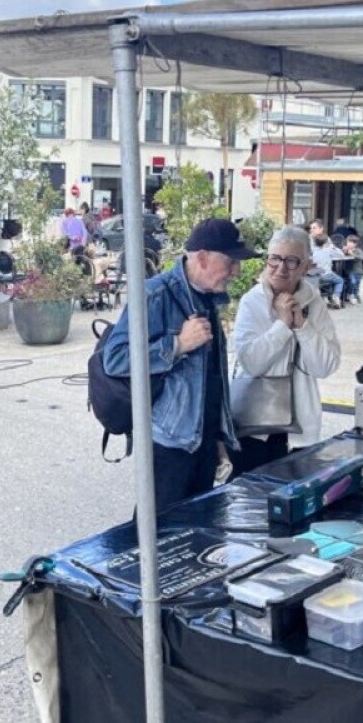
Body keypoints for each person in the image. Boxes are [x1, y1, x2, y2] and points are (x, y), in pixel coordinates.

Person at [102, 218, 258, 511]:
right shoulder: (154, 294)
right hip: (168, 442)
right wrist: (177, 345)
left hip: (202, 440)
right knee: (157, 533)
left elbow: (210, 377)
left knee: (195, 531)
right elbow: (116, 358)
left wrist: (219, 436)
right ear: (202, 257)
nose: (236, 271)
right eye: (231, 262)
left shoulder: (210, 298)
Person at [230, 226, 341, 474]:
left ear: (306, 266)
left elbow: (326, 366)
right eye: (275, 259)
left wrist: (301, 324)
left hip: (300, 429)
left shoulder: (314, 302)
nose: (281, 268)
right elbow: (252, 363)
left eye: (291, 261)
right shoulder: (253, 301)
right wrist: (282, 325)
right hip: (254, 427)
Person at [309, 232, 347, 309]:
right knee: (340, 281)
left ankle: (325, 298)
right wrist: (334, 247)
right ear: (326, 242)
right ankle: (336, 297)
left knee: (325, 283)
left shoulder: (312, 251)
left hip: (316, 277)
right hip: (327, 275)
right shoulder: (328, 250)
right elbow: (341, 255)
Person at [342, 233, 363, 303]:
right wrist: (343, 251)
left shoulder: (358, 250)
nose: (349, 244)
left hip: (357, 271)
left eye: (352, 242)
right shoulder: (345, 250)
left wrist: (352, 254)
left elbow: (361, 258)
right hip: (349, 270)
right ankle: (350, 294)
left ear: (355, 244)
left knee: (356, 284)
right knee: (352, 282)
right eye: (348, 242)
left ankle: (355, 295)